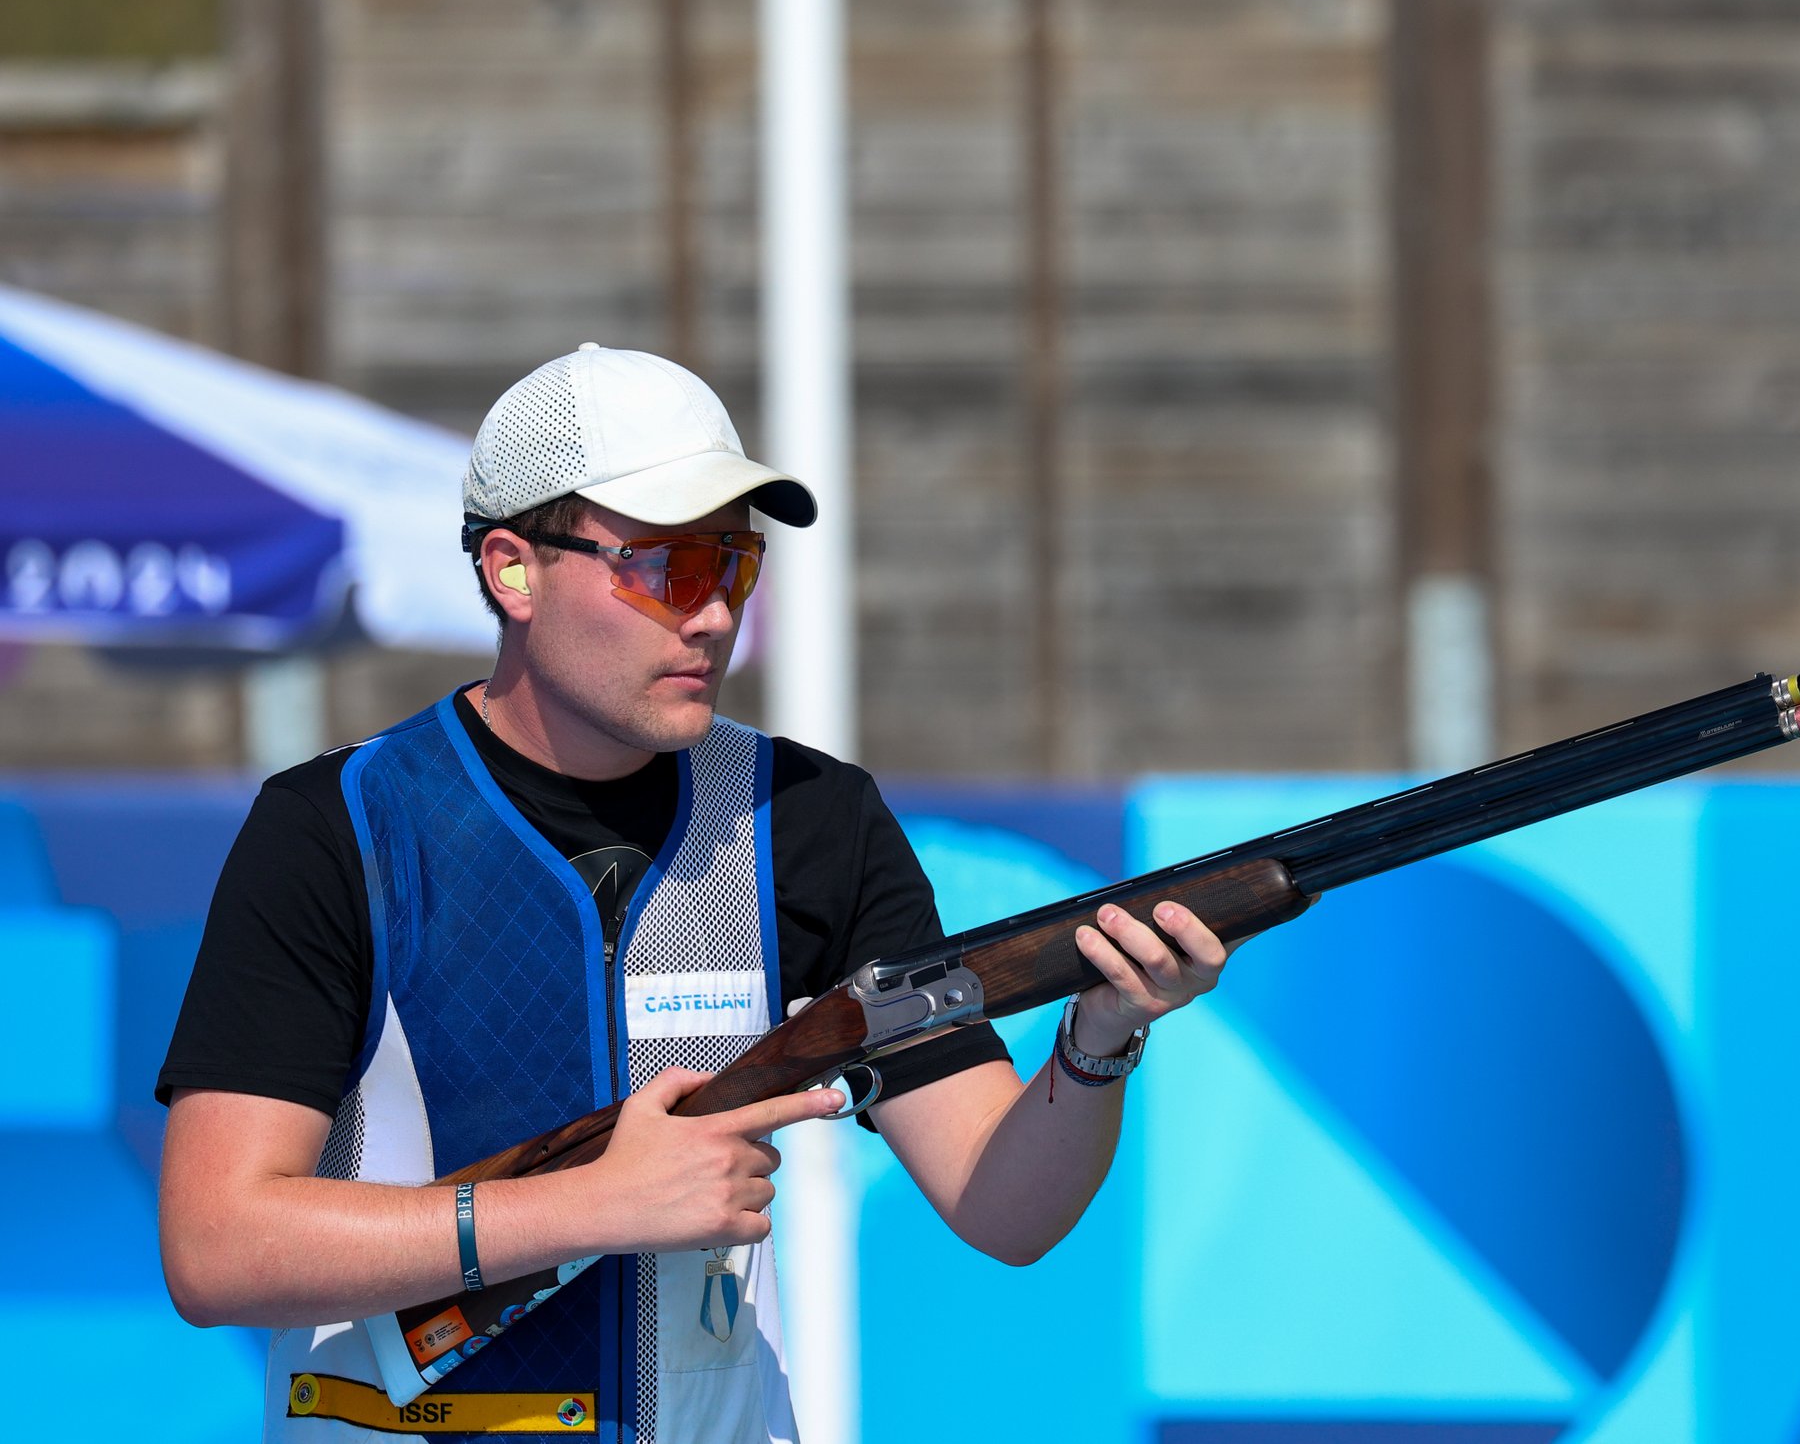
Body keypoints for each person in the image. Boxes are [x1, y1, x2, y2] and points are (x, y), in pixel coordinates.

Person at [155, 344, 1229, 1443]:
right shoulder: (338, 823)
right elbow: (215, 1244)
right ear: (512, 570)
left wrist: (1098, 1039)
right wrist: (589, 1204)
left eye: (732, 566)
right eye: (662, 569)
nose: (713, 615)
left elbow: (1002, 1206)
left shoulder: (808, 816)